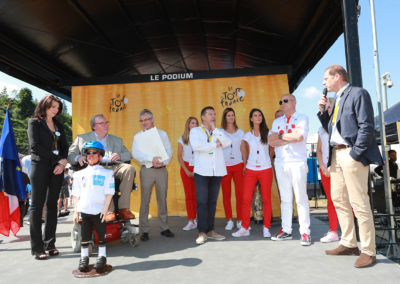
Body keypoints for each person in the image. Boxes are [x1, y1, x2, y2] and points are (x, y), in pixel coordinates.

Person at [318, 65, 383, 268]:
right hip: (336, 154)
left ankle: (369, 251)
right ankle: (348, 243)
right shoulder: (337, 99)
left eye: (326, 78)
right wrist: (323, 113)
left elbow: (366, 126)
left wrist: (355, 154)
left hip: (351, 153)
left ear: (337, 76)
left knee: (359, 203)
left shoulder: (358, 93)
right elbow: (333, 128)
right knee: (338, 198)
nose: (323, 83)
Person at [68, 114, 135, 222]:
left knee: (129, 168)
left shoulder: (117, 140)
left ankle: (124, 209)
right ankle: (109, 211)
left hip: (114, 166)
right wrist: (78, 157)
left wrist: (120, 156)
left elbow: (128, 154)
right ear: (94, 126)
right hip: (95, 168)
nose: (106, 125)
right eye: (102, 123)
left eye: (106, 122)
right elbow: (70, 155)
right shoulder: (82, 138)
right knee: (103, 173)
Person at [27, 95, 68, 260]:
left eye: (58, 108)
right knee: (37, 206)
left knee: (52, 205)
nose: (55, 110)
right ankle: (37, 248)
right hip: (40, 167)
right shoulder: (34, 123)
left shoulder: (59, 125)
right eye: (53, 107)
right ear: (44, 106)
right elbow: (35, 146)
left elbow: (65, 146)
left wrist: (62, 163)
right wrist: (56, 159)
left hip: (57, 169)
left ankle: (50, 244)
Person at [269, 93, 311, 246]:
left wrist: (280, 136)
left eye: (285, 101)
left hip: (297, 162)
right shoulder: (276, 121)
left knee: (301, 198)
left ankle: (305, 232)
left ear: (294, 102)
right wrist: (288, 136)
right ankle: (286, 230)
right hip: (280, 162)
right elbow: (271, 141)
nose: (282, 103)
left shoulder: (302, 117)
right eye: (281, 101)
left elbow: (299, 137)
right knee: (285, 199)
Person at [189, 106, 231, 245]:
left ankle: (211, 230)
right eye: (209, 114)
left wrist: (215, 130)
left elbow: (227, 143)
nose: (212, 116)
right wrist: (214, 145)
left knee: (212, 202)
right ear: (202, 117)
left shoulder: (218, 131)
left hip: (217, 170)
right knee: (202, 201)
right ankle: (202, 232)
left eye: (214, 114)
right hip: (202, 171)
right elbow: (197, 147)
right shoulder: (195, 131)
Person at [132, 109, 174, 241]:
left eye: (146, 120)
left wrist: (162, 162)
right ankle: (144, 230)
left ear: (152, 119)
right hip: (147, 170)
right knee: (145, 200)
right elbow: (136, 154)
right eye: (141, 120)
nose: (144, 122)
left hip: (162, 170)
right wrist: (152, 159)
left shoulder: (162, 134)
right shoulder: (138, 136)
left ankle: (164, 227)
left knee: (162, 199)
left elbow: (169, 151)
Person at [72, 141, 114, 273]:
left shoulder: (108, 173)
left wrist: (106, 208)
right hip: (84, 210)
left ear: (100, 156)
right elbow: (76, 194)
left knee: (101, 235)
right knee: (85, 236)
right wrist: (75, 211)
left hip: (100, 211)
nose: (90, 155)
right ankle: (84, 258)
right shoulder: (78, 174)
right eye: (88, 152)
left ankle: (102, 257)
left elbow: (109, 193)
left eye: (93, 152)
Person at [232, 109, 273, 238]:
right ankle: (245, 227)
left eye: (260, 115)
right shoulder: (247, 135)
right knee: (246, 198)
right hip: (250, 169)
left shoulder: (269, 133)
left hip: (266, 169)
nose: (258, 117)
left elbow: (272, 149)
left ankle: (266, 227)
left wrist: (268, 161)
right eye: (255, 115)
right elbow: (243, 149)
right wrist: (245, 163)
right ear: (251, 119)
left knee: (266, 199)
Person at [220, 108, 245, 231]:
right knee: (226, 195)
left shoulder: (240, 132)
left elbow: (243, 149)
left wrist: (244, 164)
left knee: (240, 194)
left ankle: (240, 220)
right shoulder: (220, 132)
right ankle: (229, 220)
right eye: (228, 115)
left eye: (232, 115)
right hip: (224, 167)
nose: (231, 117)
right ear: (225, 117)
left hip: (238, 165)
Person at [316, 125, 339, 243]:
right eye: (321, 106)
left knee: (346, 199)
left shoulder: (338, 121)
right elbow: (318, 151)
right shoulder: (321, 129)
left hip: (339, 167)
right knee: (331, 200)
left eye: (326, 105)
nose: (324, 108)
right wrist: (323, 167)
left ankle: (353, 232)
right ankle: (333, 231)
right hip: (325, 169)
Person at [178, 117, 199, 231]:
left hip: (198, 168)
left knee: (198, 195)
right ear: (188, 125)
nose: (194, 125)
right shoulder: (182, 139)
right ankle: (191, 220)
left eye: (196, 123)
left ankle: (198, 219)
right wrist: (186, 170)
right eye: (192, 123)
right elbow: (179, 156)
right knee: (189, 196)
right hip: (186, 168)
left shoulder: (201, 138)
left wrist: (196, 169)